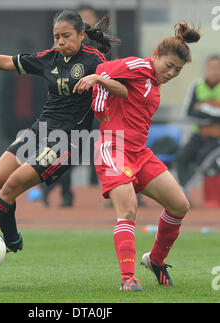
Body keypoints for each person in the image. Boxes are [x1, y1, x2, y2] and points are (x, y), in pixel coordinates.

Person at [0, 10, 126, 254]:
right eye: (56, 36)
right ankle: (11, 239)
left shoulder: (96, 60)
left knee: (11, 185)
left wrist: (98, 79)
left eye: (66, 36)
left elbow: (123, 90)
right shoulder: (49, 58)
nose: (60, 42)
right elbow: (7, 62)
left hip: (69, 140)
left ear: (81, 35)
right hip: (40, 130)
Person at [73, 22, 200, 290]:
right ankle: (127, 278)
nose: (172, 72)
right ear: (156, 54)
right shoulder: (139, 66)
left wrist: (111, 89)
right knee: (129, 209)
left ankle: (155, 260)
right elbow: (102, 70)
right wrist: (99, 107)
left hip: (139, 153)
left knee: (180, 205)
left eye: (178, 69)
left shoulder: (153, 81)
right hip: (113, 148)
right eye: (169, 65)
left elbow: (123, 91)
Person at [40, 5, 101, 207]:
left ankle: (116, 190)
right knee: (67, 154)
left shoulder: (99, 48)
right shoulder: (62, 44)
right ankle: (61, 191)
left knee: (105, 149)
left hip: (96, 110)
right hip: (69, 112)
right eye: (81, 18)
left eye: (88, 18)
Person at [176, 55, 220, 199]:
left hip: (217, 139)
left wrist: (204, 108)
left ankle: (183, 191)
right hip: (198, 135)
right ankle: (183, 192)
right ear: (206, 69)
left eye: (217, 68)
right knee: (182, 157)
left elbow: (199, 112)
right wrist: (213, 114)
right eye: (211, 68)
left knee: (203, 160)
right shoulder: (196, 86)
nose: (214, 71)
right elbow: (189, 113)